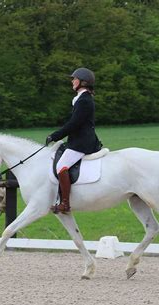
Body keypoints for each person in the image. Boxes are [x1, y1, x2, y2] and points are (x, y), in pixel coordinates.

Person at [45, 67, 102, 214]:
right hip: (78, 140)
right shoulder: (81, 99)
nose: (72, 81)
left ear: (83, 82)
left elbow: (74, 124)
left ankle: (65, 203)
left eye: (74, 79)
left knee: (61, 166)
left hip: (82, 142)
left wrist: (55, 136)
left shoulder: (84, 100)